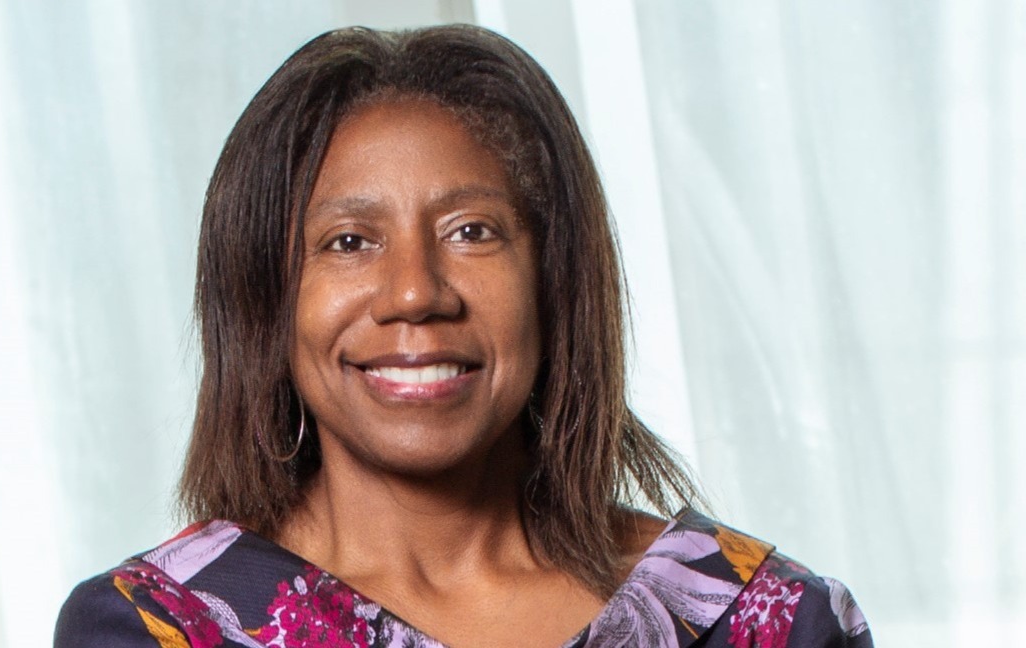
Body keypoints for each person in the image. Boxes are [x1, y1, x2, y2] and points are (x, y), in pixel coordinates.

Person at [55, 24, 872, 648]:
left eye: (472, 231)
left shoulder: (768, 622)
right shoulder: (157, 630)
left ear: (553, 280)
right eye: (349, 241)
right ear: (266, 298)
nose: (416, 292)